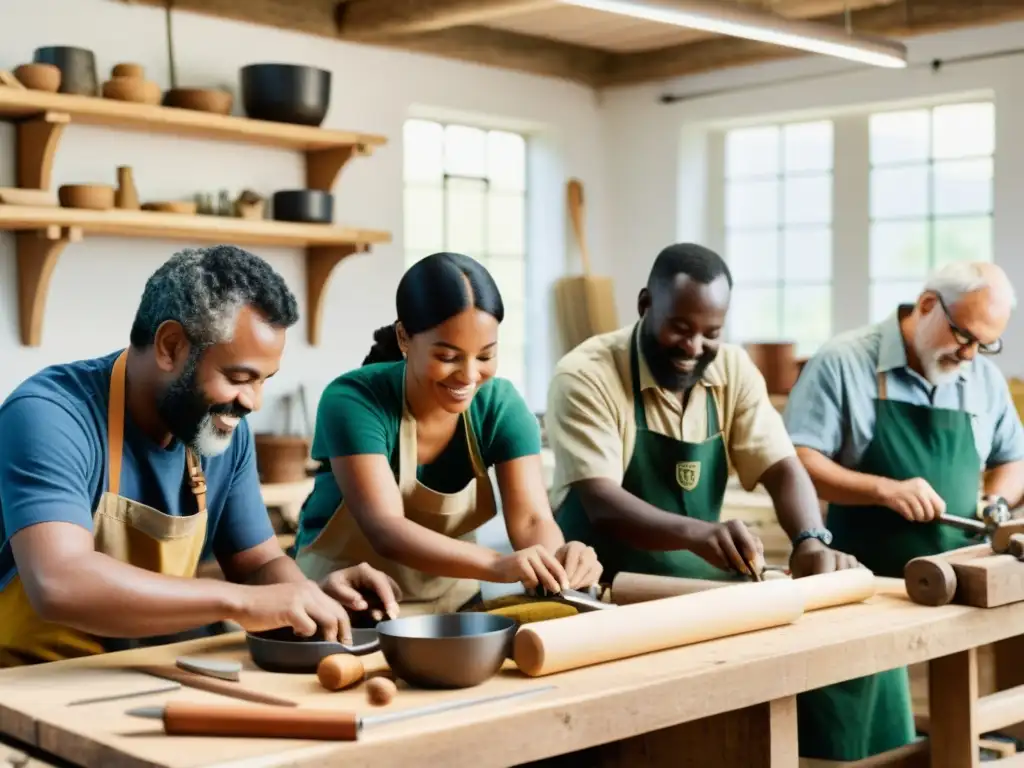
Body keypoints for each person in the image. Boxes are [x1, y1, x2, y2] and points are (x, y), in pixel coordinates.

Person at [0, 245, 399, 668]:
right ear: (170, 346)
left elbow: (258, 563)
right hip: (29, 683)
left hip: (144, 671)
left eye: (264, 381)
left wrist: (310, 599)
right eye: (239, 378)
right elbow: (59, 582)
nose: (254, 401)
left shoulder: (220, 431)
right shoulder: (49, 415)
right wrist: (243, 603)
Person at [784, 260, 1024, 761]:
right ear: (928, 304)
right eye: (964, 337)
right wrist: (881, 489)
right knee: (860, 737)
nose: (971, 354)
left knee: (959, 724)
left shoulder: (981, 377)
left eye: (986, 343)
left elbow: (1013, 457)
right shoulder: (844, 362)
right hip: (863, 588)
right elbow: (796, 462)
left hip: (957, 585)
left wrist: (997, 501)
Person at [292, 251, 603, 616]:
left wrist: (557, 564)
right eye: (449, 357)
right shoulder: (354, 401)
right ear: (405, 338)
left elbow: (533, 520)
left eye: (485, 356)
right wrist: (497, 565)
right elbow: (386, 527)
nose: (469, 376)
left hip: (453, 609)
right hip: (344, 604)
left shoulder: (500, 406)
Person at [546, 242, 860, 583]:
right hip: (602, 588)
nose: (694, 347)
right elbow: (603, 504)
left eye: (711, 333)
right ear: (645, 305)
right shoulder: (586, 374)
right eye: (680, 328)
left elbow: (782, 467)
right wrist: (700, 534)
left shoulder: (733, 368)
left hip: (702, 589)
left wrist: (810, 540)